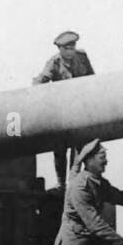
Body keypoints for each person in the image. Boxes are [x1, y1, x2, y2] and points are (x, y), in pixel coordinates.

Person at [32, 30, 95, 189]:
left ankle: (74, 181)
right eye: (67, 49)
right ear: (60, 49)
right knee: (59, 149)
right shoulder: (54, 63)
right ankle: (61, 183)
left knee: (80, 148)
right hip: (62, 113)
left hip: (79, 110)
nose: (70, 52)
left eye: (72, 48)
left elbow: (93, 79)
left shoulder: (82, 58)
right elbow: (39, 82)